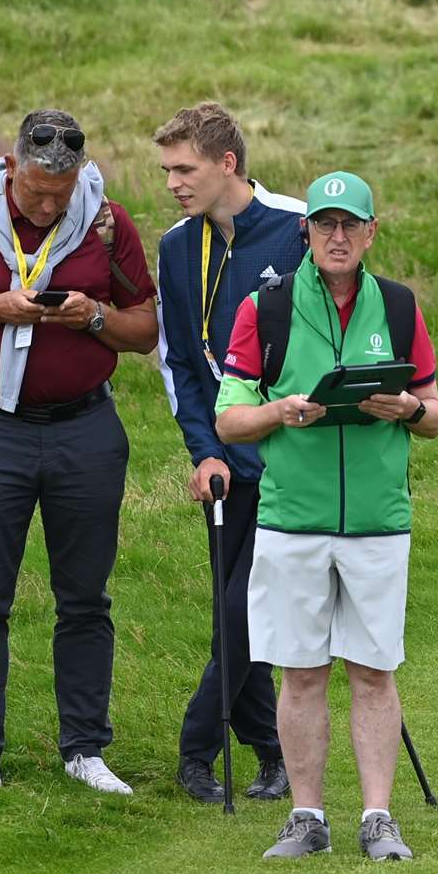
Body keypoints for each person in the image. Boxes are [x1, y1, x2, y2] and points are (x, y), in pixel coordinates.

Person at [0, 109, 159, 794]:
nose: (50, 205)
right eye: (37, 191)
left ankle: (84, 751)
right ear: (10, 167)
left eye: (63, 192)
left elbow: (144, 330)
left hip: (86, 430)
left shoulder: (109, 223)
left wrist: (94, 316)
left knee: (85, 598)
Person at [215, 171, 438, 862]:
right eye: (324, 224)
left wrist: (406, 408)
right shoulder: (267, 309)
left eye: (350, 225)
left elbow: (435, 416)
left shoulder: (400, 307)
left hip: (378, 520)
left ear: (372, 233)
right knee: (302, 671)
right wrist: (281, 411)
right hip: (293, 520)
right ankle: (306, 816)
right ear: (306, 232)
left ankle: (377, 818)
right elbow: (230, 419)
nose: (337, 236)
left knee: (374, 670)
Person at [153, 102, 305, 804]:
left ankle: (195, 752)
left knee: (246, 609)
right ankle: (271, 753)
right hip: (226, 465)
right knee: (237, 609)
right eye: (167, 171)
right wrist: (203, 450)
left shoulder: (298, 227)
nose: (173, 183)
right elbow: (181, 363)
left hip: (291, 459)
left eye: (184, 169)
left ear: (227, 164)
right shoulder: (177, 248)